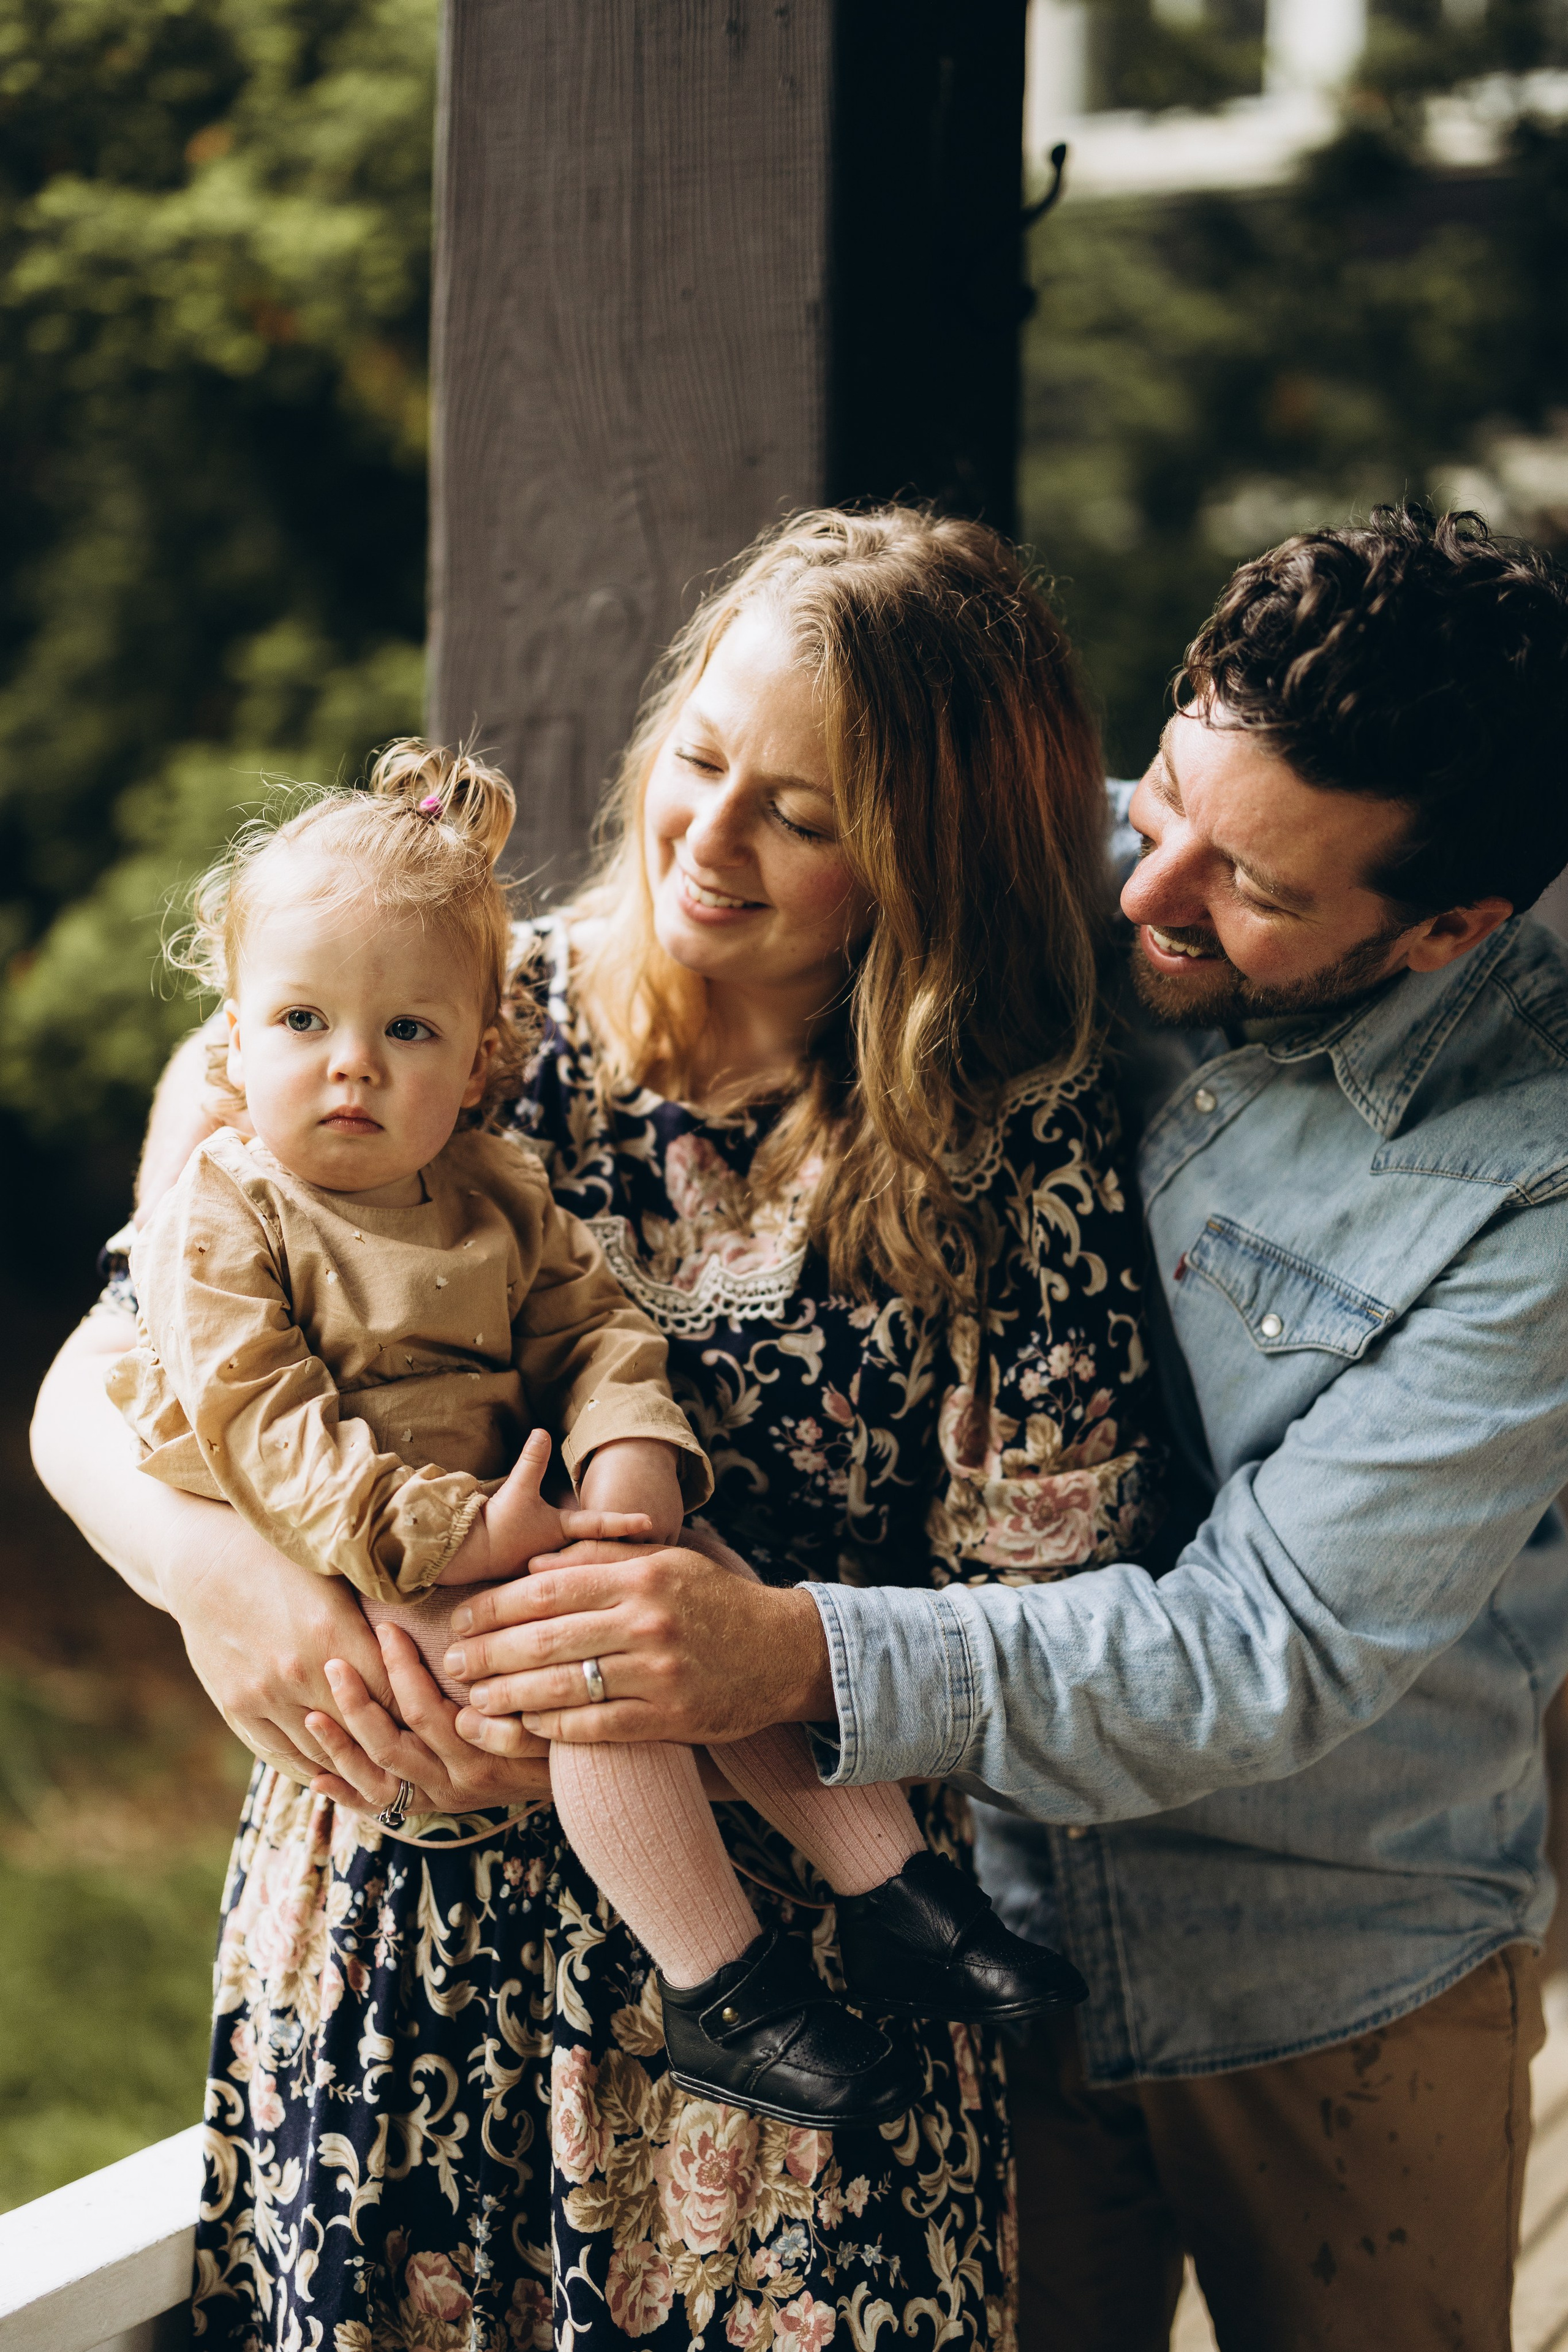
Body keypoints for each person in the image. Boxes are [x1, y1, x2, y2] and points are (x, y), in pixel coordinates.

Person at [430, 507, 1568, 2351]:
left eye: (1255, 891)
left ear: (1449, 929)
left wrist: (776, 1649)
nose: (1144, 890)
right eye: (1171, 792)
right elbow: (561, 960)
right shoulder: (1050, 845)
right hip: (965, 1935)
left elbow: (1268, 1650)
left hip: (1325, 1954)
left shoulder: (1537, 1171)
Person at [34, 507, 1165, 2349]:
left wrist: (769, 1643)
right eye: (701, 760)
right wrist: (229, 1590)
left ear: (926, 858)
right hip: (406, 1970)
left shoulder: (1000, 1150)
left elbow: (1074, 1625)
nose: (710, 840)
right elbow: (104, 1382)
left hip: (798, 2038)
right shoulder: (439, 1012)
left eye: (803, 816)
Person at [113, 735, 1081, 2130]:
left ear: (476, 1058)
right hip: (358, 1557)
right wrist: (449, 1534)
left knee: (701, 1593)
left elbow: (598, 1327)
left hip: (510, 1522)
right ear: (235, 1030)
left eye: (408, 1033)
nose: (352, 1070)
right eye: (301, 1023)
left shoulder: (490, 1185)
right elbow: (261, 1418)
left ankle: (899, 1896)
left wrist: (630, 1450)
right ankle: (720, 1989)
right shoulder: (224, 1208)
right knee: (600, 1666)